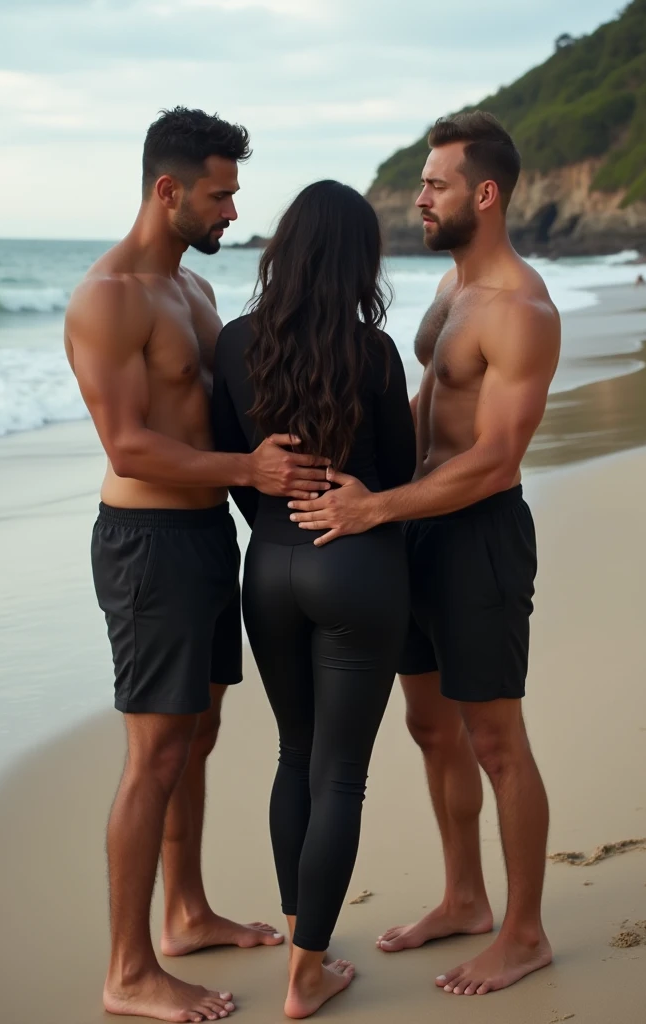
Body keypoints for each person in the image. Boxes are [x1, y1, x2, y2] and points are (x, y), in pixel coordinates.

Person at [64, 107, 332, 1024]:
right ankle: (128, 970)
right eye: (219, 195)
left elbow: (223, 416)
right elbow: (131, 446)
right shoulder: (109, 297)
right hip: (148, 549)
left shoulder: (194, 294)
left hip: (210, 537)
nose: (231, 211)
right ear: (168, 190)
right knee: (155, 753)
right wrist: (247, 471)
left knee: (200, 734)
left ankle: (184, 912)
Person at [288, 112, 561, 997]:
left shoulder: (520, 306)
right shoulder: (450, 295)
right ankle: (464, 898)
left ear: (484, 193)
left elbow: (494, 457)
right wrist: (358, 479)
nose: (420, 198)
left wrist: (380, 507)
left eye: (435, 184)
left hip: (478, 533)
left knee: (495, 736)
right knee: (430, 726)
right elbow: (424, 410)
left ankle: (524, 933)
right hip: (415, 527)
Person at [212, 180, 416, 1018]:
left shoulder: (232, 343)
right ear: (358, 260)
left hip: (269, 565)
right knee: (342, 777)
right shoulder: (374, 353)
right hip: (356, 564)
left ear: (284, 250)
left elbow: (233, 463)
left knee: (295, 757)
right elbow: (399, 477)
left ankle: (304, 936)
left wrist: (275, 520)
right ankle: (308, 971)